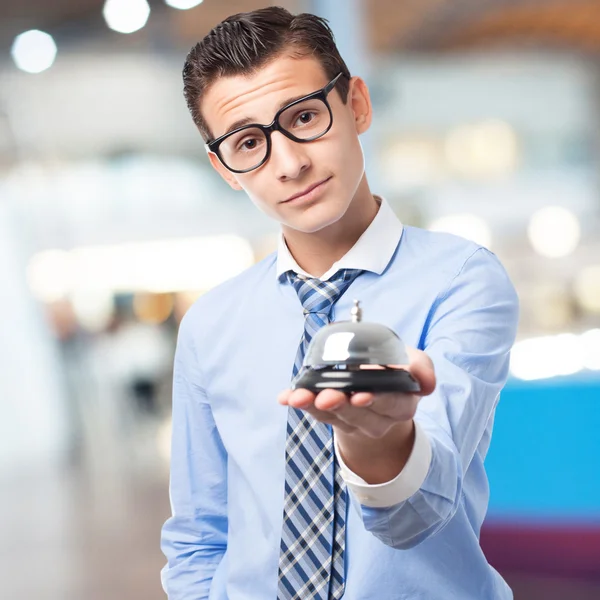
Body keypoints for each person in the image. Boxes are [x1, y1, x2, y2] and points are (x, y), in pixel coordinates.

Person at [160, 7, 519, 600]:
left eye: (304, 116)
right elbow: (200, 535)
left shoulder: (460, 280)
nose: (290, 163)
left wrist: (378, 443)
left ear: (356, 104)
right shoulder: (211, 325)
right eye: (248, 142)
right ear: (223, 168)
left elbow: (420, 512)